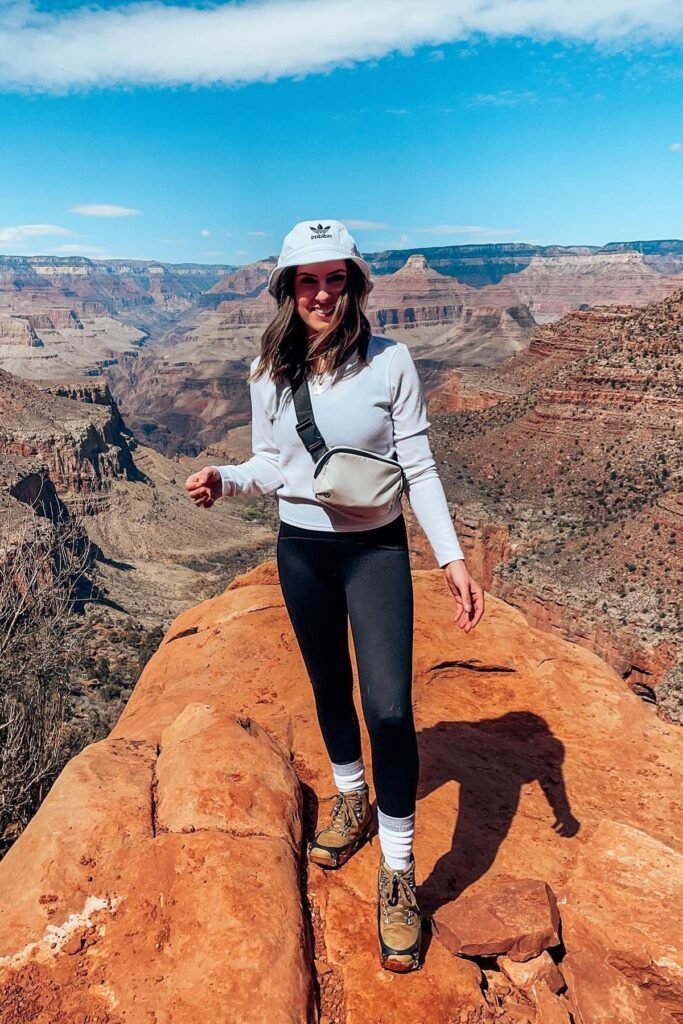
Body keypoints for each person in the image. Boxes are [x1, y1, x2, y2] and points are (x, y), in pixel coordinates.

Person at [184, 219, 485, 973]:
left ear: (353, 284)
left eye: (335, 278)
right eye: (307, 280)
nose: (321, 293)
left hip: (374, 551)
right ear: (288, 289)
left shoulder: (390, 363)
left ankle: (397, 870)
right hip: (302, 548)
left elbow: (418, 465)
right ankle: (351, 794)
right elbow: (269, 464)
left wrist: (449, 557)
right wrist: (226, 477)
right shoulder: (268, 372)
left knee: (387, 705)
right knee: (328, 685)